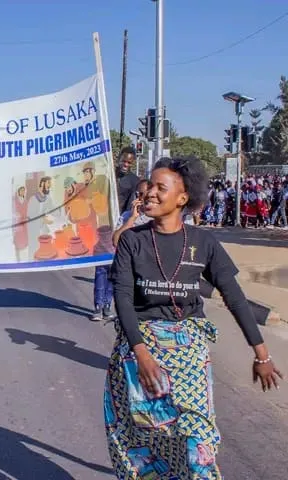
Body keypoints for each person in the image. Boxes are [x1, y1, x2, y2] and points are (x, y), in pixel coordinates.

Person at [106, 156, 282, 479]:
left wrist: (262, 354)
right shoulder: (133, 241)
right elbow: (123, 300)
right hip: (137, 356)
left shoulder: (204, 243)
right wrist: (142, 355)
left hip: (189, 360)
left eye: (162, 188)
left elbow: (234, 296)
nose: (150, 194)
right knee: (140, 447)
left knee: (198, 443)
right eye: (149, 187)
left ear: (182, 197)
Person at [91, 147, 140, 322]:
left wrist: (124, 225)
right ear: (118, 159)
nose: (125, 164)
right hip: (103, 226)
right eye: (124, 161)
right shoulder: (107, 175)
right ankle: (97, 306)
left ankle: (107, 305)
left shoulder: (134, 181)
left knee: (114, 269)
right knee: (100, 268)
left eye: (129, 162)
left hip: (119, 228)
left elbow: (131, 205)